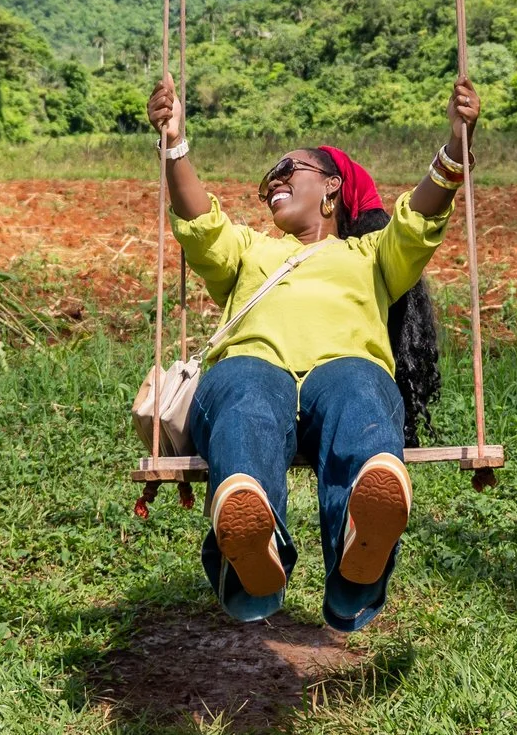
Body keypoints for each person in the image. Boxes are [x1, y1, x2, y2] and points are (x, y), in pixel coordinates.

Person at [144, 74, 481, 632]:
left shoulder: (370, 253)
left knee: (359, 384)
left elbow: (419, 219)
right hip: (254, 371)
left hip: (339, 376)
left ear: (330, 188)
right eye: (267, 180)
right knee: (249, 386)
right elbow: (201, 225)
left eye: (287, 169)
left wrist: (456, 147)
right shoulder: (248, 249)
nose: (273, 181)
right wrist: (174, 142)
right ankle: (254, 543)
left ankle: (359, 543)